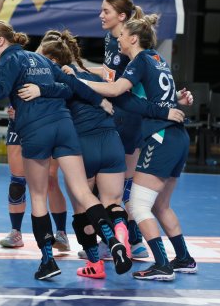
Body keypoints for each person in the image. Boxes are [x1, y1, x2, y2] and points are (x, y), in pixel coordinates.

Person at [0, 21, 133, 280]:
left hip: (36, 130)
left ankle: (48, 261)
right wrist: (100, 100)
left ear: (1, 41)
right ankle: (113, 242)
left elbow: (1, 89)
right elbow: (71, 84)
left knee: (37, 196)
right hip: (64, 126)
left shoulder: (9, 60)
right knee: (82, 192)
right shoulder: (40, 59)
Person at [37, 29, 185, 279]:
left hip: (83, 145)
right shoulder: (99, 80)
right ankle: (121, 236)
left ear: (52, 61)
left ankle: (97, 262)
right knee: (114, 204)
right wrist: (171, 103)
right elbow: (129, 98)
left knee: (82, 208)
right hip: (112, 142)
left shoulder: (59, 82)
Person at [84, 14, 197, 281]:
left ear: (133, 38)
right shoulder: (158, 59)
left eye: (122, 36)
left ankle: (162, 264)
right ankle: (183, 258)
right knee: (161, 205)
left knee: (137, 204)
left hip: (161, 137)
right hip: (177, 136)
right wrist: (177, 100)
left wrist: (81, 82)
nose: (118, 40)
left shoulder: (140, 60)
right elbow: (155, 99)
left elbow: (116, 90)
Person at [93, 0, 149, 259]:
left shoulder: (131, 46)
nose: (101, 15)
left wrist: (78, 81)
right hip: (115, 115)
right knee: (118, 183)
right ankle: (130, 240)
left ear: (122, 16)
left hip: (128, 117)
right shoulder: (110, 39)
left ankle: (126, 240)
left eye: (106, 11)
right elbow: (108, 74)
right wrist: (77, 68)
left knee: (118, 184)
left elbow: (118, 86)